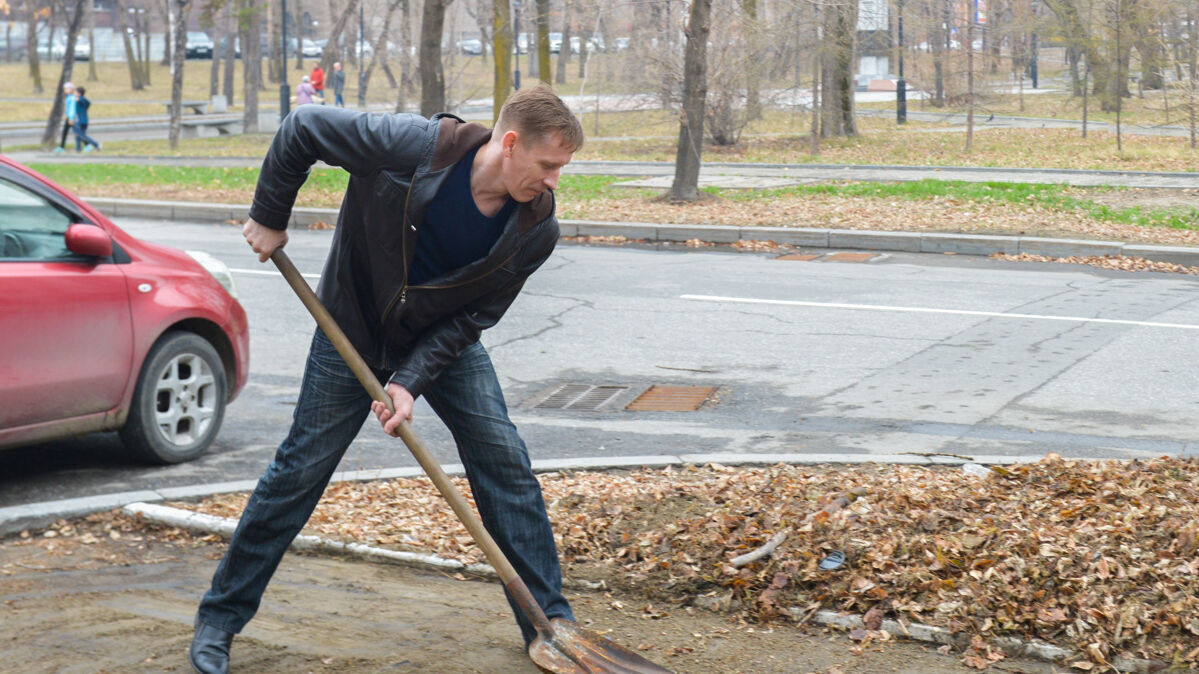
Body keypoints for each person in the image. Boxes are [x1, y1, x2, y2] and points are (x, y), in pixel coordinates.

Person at [187, 85, 584, 674]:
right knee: (299, 469)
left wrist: (411, 380)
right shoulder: (414, 147)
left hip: (438, 342)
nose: (554, 181)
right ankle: (219, 620)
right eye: (548, 165)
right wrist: (270, 215)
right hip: (351, 326)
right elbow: (302, 128)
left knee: (502, 456)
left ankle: (548, 624)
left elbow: (474, 316)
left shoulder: (535, 229)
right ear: (509, 144)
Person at [72, 87, 101, 153]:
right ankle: (78, 149)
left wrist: (78, 99)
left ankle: (96, 144)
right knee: (77, 135)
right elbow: (88, 103)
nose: (74, 93)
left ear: (79, 93)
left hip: (79, 121)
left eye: (75, 92)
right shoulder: (84, 100)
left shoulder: (80, 99)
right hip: (84, 120)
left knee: (81, 135)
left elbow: (81, 100)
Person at [53, 82, 75, 154]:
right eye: (65, 88)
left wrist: (71, 117)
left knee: (77, 132)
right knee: (67, 132)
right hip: (69, 116)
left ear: (71, 89)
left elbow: (72, 108)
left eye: (67, 88)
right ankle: (62, 146)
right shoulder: (68, 97)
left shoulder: (72, 98)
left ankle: (89, 144)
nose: (66, 90)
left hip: (71, 117)